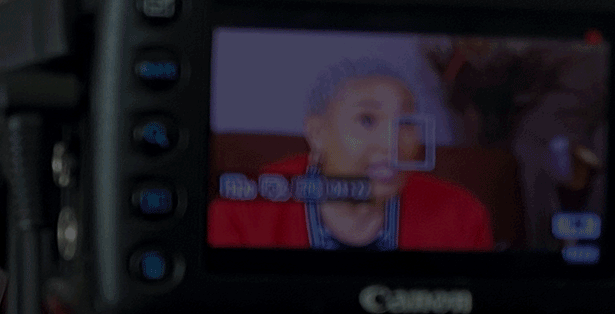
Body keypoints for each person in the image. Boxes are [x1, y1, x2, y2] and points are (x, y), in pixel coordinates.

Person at [208, 58, 494, 251]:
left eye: (406, 123)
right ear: (318, 133)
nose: (391, 144)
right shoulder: (243, 208)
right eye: (367, 120)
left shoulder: (461, 214)